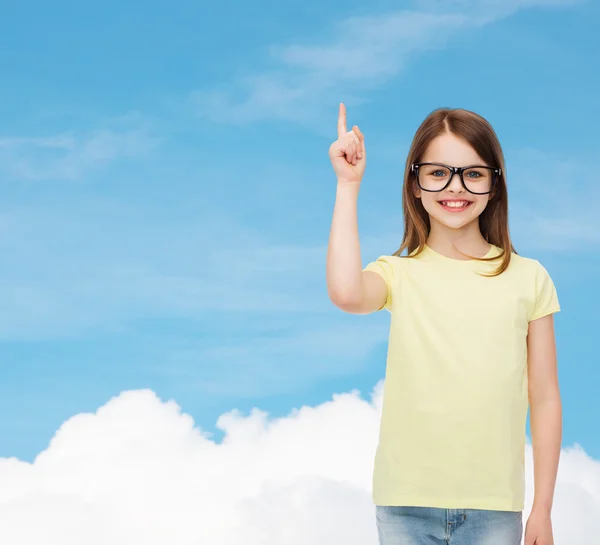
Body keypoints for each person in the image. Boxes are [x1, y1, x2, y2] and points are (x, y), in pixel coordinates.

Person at [326, 103, 562, 545]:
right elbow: (345, 292)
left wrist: (543, 508)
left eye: (473, 173)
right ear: (415, 184)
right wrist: (347, 185)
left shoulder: (529, 278)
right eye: (438, 173)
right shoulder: (398, 274)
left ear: (495, 184)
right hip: (404, 503)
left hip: (494, 507)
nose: (455, 187)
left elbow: (545, 398)